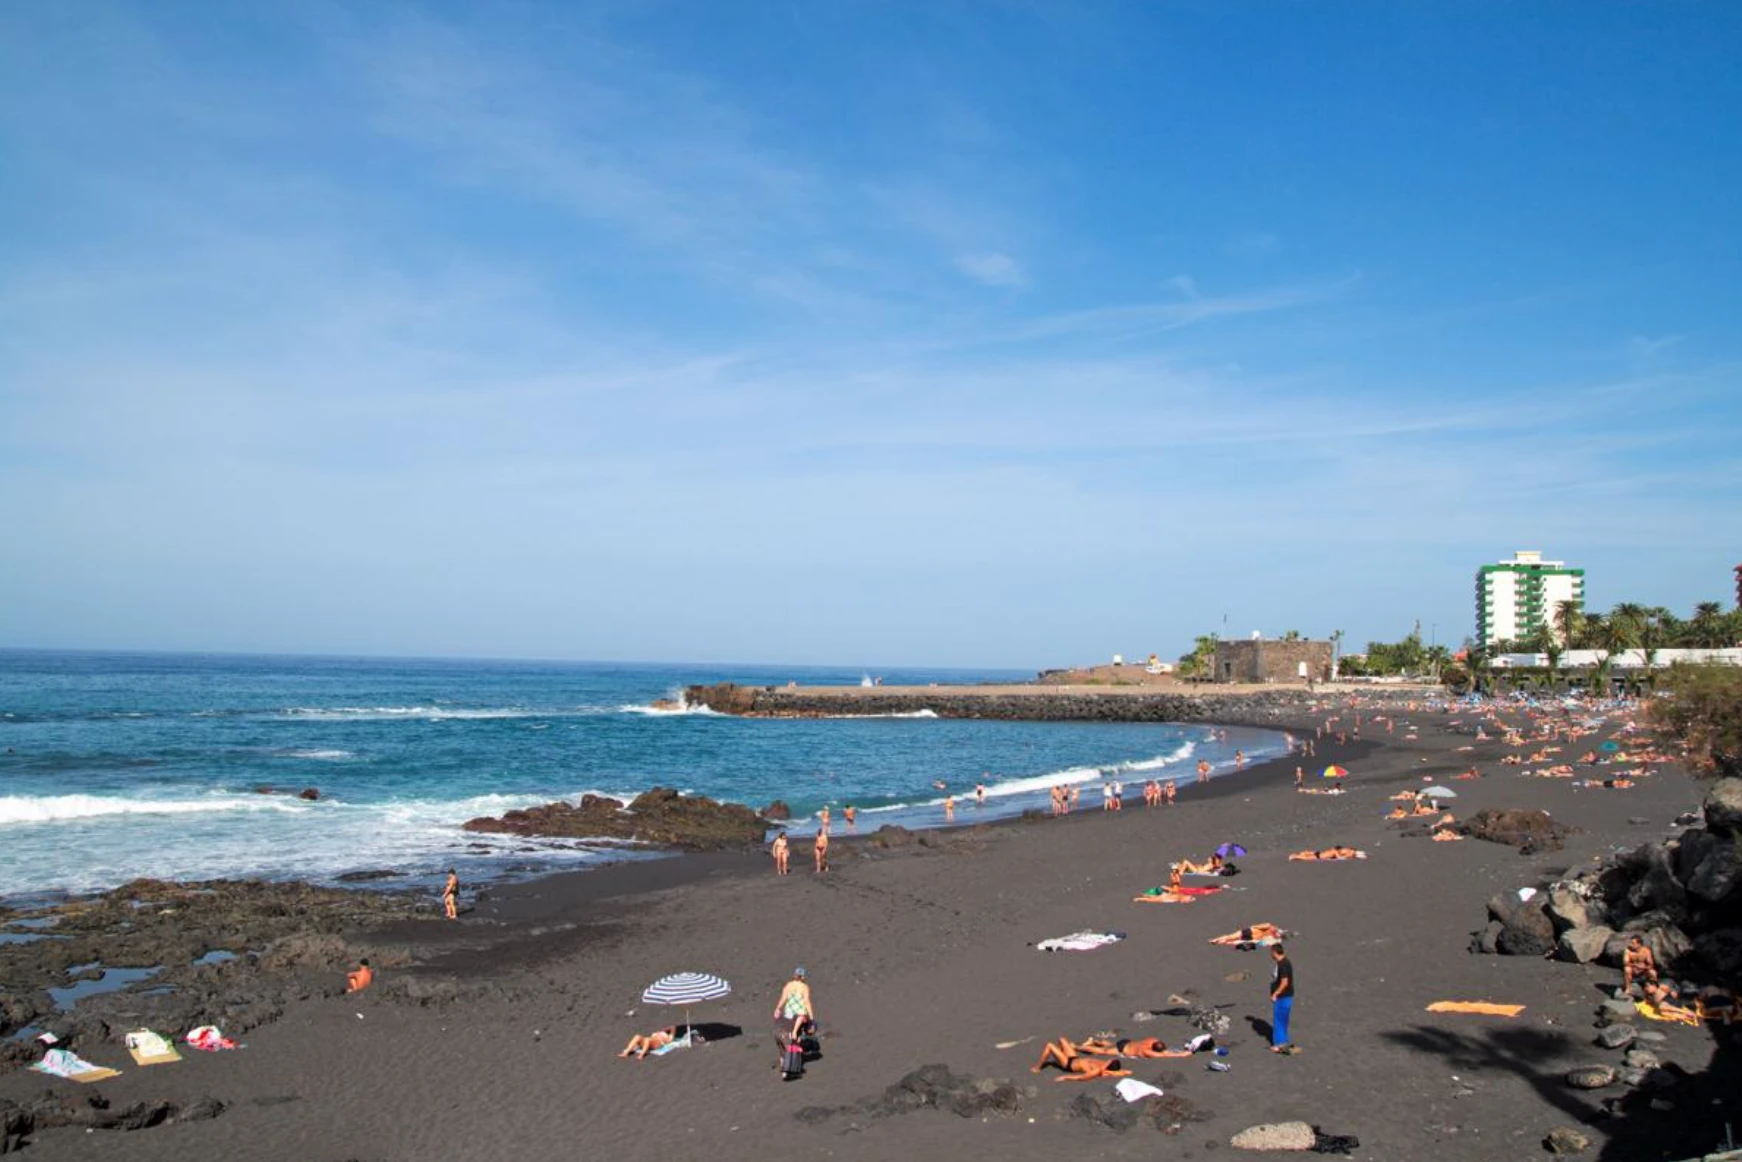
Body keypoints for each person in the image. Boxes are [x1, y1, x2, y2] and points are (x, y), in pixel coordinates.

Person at [774, 967, 814, 1045]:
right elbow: (807, 1001)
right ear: (802, 977)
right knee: (805, 1018)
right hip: (799, 1013)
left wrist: (778, 1008)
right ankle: (795, 1032)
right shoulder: (804, 987)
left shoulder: (788, 985)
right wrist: (811, 1017)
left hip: (788, 1012)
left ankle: (790, 1035)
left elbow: (783, 998)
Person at [1269, 944, 1296, 1053]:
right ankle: (1284, 1041)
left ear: (1275, 952)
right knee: (1283, 1020)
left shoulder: (1282, 964)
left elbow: (1284, 982)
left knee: (1279, 1020)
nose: (1270, 954)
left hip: (1283, 996)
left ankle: (1278, 1045)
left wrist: (1275, 994)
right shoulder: (1285, 961)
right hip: (1287, 995)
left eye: (1271, 952)